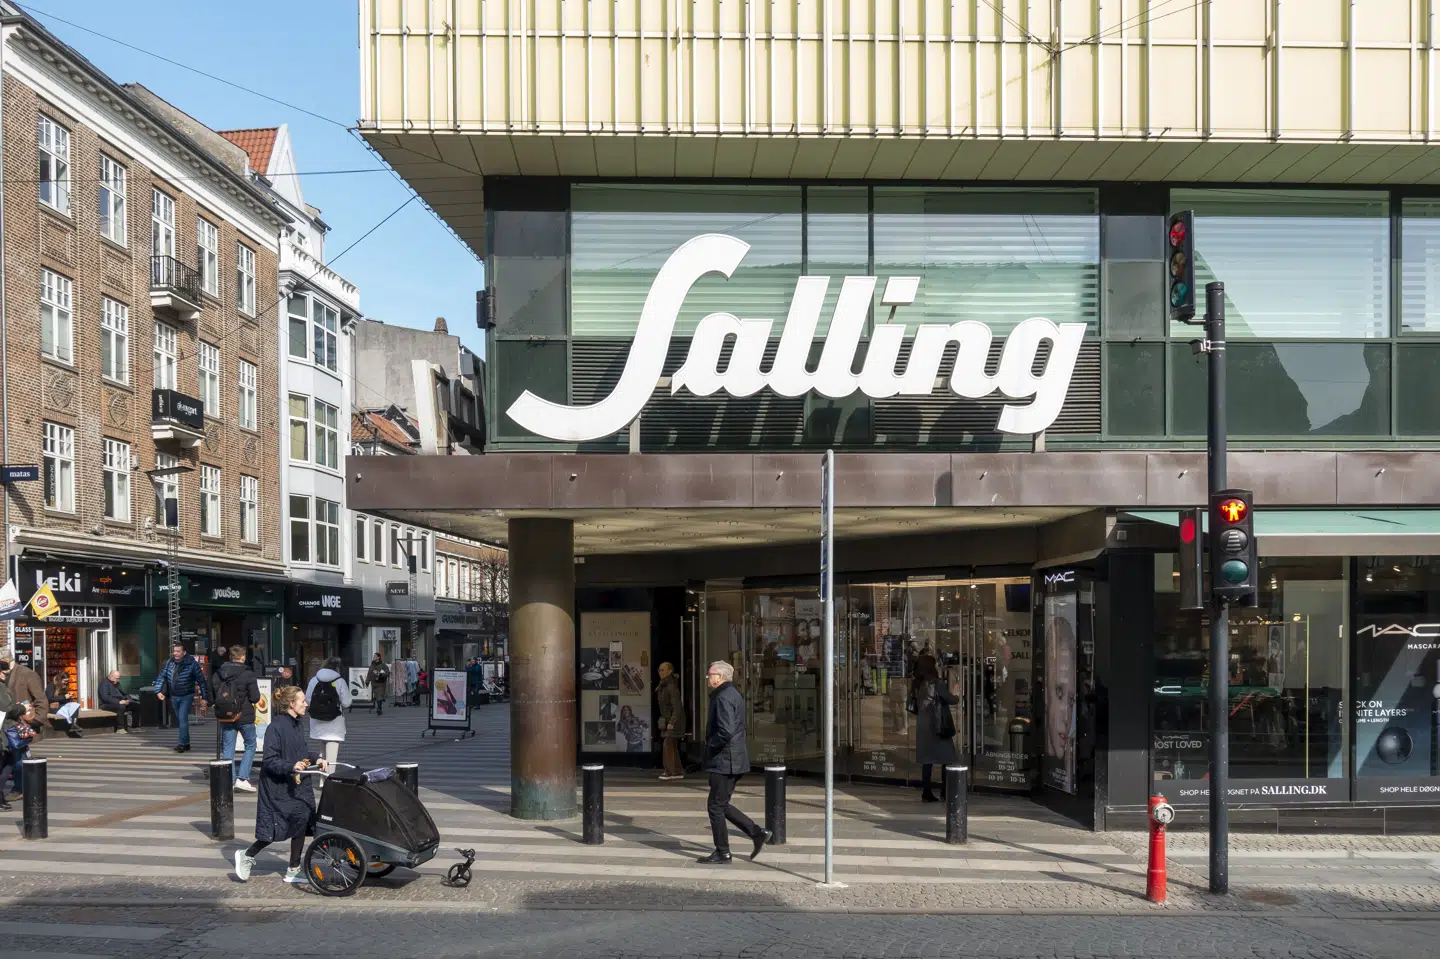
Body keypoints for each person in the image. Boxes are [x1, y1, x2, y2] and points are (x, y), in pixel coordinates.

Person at [233, 684, 326, 884]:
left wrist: (316, 758)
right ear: (291, 703)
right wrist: (292, 766)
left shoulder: (297, 724)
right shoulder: (275, 727)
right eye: (302, 701)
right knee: (274, 830)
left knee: (301, 822)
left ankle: (293, 869)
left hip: (296, 784)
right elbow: (269, 760)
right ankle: (247, 855)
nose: (306, 705)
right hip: (277, 787)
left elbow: (300, 753)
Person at [697, 661, 770, 865]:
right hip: (733, 758)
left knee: (715, 807)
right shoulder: (732, 694)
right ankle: (756, 833)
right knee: (720, 804)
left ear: (719, 677)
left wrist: (711, 746)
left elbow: (726, 731)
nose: (707, 678)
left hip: (725, 760)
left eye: (709, 674)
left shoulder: (722, 697)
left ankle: (723, 852)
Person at [211, 646, 262, 792]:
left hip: (225, 715)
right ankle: (242, 778)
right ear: (243, 657)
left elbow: (213, 693)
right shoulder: (248, 673)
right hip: (244, 715)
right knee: (251, 745)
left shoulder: (219, 673)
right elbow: (255, 697)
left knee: (228, 748)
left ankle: (230, 780)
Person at [912, 654, 959, 803]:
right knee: (947, 757)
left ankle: (926, 792)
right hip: (938, 725)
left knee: (927, 761)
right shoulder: (937, 683)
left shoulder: (917, 683)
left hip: (923, 726)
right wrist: (957, 694)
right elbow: (950, 699)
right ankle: (945, 791)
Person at [152, 642, 207, 753]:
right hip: (174, 695)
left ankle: (181, 744)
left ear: (184, 652)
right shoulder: (169, 663)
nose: (175, 653)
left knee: (182, 719)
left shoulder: (192, 664)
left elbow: (202, 681)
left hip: (187, 695)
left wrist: (204, 698)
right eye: (174, 651)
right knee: (180, 720)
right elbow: (161, 676)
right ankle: (186, 743)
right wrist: (157, 690)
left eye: (178, 651)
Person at [305, 658, 351, 766]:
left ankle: (322, 781)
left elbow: (308, 700)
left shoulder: (314, 680)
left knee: (321, 757)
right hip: (334, 724)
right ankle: (329, 781)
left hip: (317, 722)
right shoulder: (340, 681)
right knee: (331, 760)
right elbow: (346, 703)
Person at [655, 661, 685, 781]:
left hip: (674, 721)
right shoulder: (664, 685)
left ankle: (671, 771)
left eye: (663, 670)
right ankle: (676, 771)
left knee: (668, 745)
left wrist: (672, 722)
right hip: (669, 720)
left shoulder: (671, 686)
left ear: (670, 671)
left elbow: (677, 706)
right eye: (659, 670)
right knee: (671, 745)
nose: (660, 672)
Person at [3, 702, 38, 802]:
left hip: (15, 730)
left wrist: (36, 718)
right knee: (15, 763)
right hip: (11, 728)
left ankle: (20, 789)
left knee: (19, 763)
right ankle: (21, 789)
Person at [7, 659, 46, 737]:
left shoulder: (27, 674)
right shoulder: (4, 674)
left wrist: (35, 720)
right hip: (7, 725)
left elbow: (41, 700)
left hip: (23, 724)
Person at [47, 673, 83, 738]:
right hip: (53, 707)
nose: (66, 682)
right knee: (67, 709)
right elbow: (50, 699)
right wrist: (64, 697)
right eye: (65, 681)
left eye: (67, 681)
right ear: (60, 680)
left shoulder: (64, 686)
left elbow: (63, 699)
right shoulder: (51, 686)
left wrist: (69, 697)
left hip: (62, 705)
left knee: (75, 705)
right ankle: (72, 725)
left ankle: (74, 724)